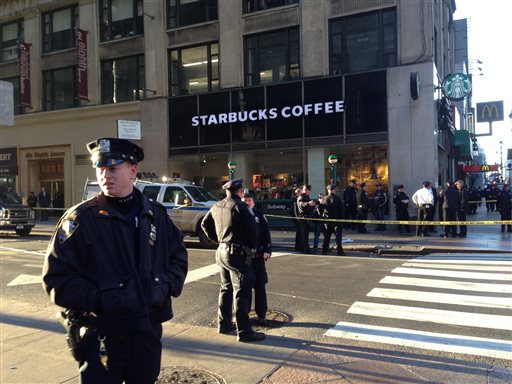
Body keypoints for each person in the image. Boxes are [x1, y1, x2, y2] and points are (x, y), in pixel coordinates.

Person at [42, 138, 188, 383]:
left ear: (133, 171)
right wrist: (104, 298)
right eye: (100, 169)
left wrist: (163, 286)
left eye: (112, 168)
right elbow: (56, 278)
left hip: (146, 332)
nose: (104, 175)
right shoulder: (81, 219)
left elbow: (178, 256)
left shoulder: (155, 214)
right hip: (102, 335)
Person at [201, 178, 265, 342]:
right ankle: (244, 331)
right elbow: (252, 231)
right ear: (240, 191)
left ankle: (224, 324)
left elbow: (204, 224)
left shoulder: (217, 205)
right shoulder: (241, 206)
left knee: (226, 288)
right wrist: (252, 247)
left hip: (221, 251)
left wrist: (219, 241)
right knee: (242, 290)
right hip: (237, 253)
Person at [242, 189, 272, 325]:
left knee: (260, 288)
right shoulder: (238, 215)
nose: (247, 202)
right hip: (245, 259)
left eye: (249, 200)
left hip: (258, 257)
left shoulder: (259, 215)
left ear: (253, 202)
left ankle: (262, 315)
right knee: (245, 288)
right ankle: (245, 314)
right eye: (245, 200)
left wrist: (267, 250)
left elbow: (266, 235)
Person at [320, 184, 345, 255]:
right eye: (332, 189)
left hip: (328, 221)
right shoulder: (337, 198)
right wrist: (341, 220)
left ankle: (324, 251)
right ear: (333, 190)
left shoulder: (324, 199)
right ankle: (339, 251)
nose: (332, 191)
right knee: (338, 237)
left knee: (327, 237)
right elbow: (342, 210)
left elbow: (321, 210)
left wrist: (323, 218)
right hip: (336, 221)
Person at [296, 184, 316, 253]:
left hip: (306, 218)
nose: (310, 191)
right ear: (306, 190)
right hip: (303, 218)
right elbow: (301, 204)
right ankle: (306, 249)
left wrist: (313, 206)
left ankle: (304, 248)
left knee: (305, 234)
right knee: (304, 234)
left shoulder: (306, 196)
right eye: (309, 190)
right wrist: (308, 204)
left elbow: (308, 206)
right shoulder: (301, 196)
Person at [292, 187, 303, 251]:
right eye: (301, 192)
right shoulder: (295, 199)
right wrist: (297, 218)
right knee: (299, 232)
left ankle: (299, 246)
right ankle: (298, 247)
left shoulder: (298, 198)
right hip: (297, 218)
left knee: (300, 232)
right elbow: (295, 210)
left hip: (298, 218)